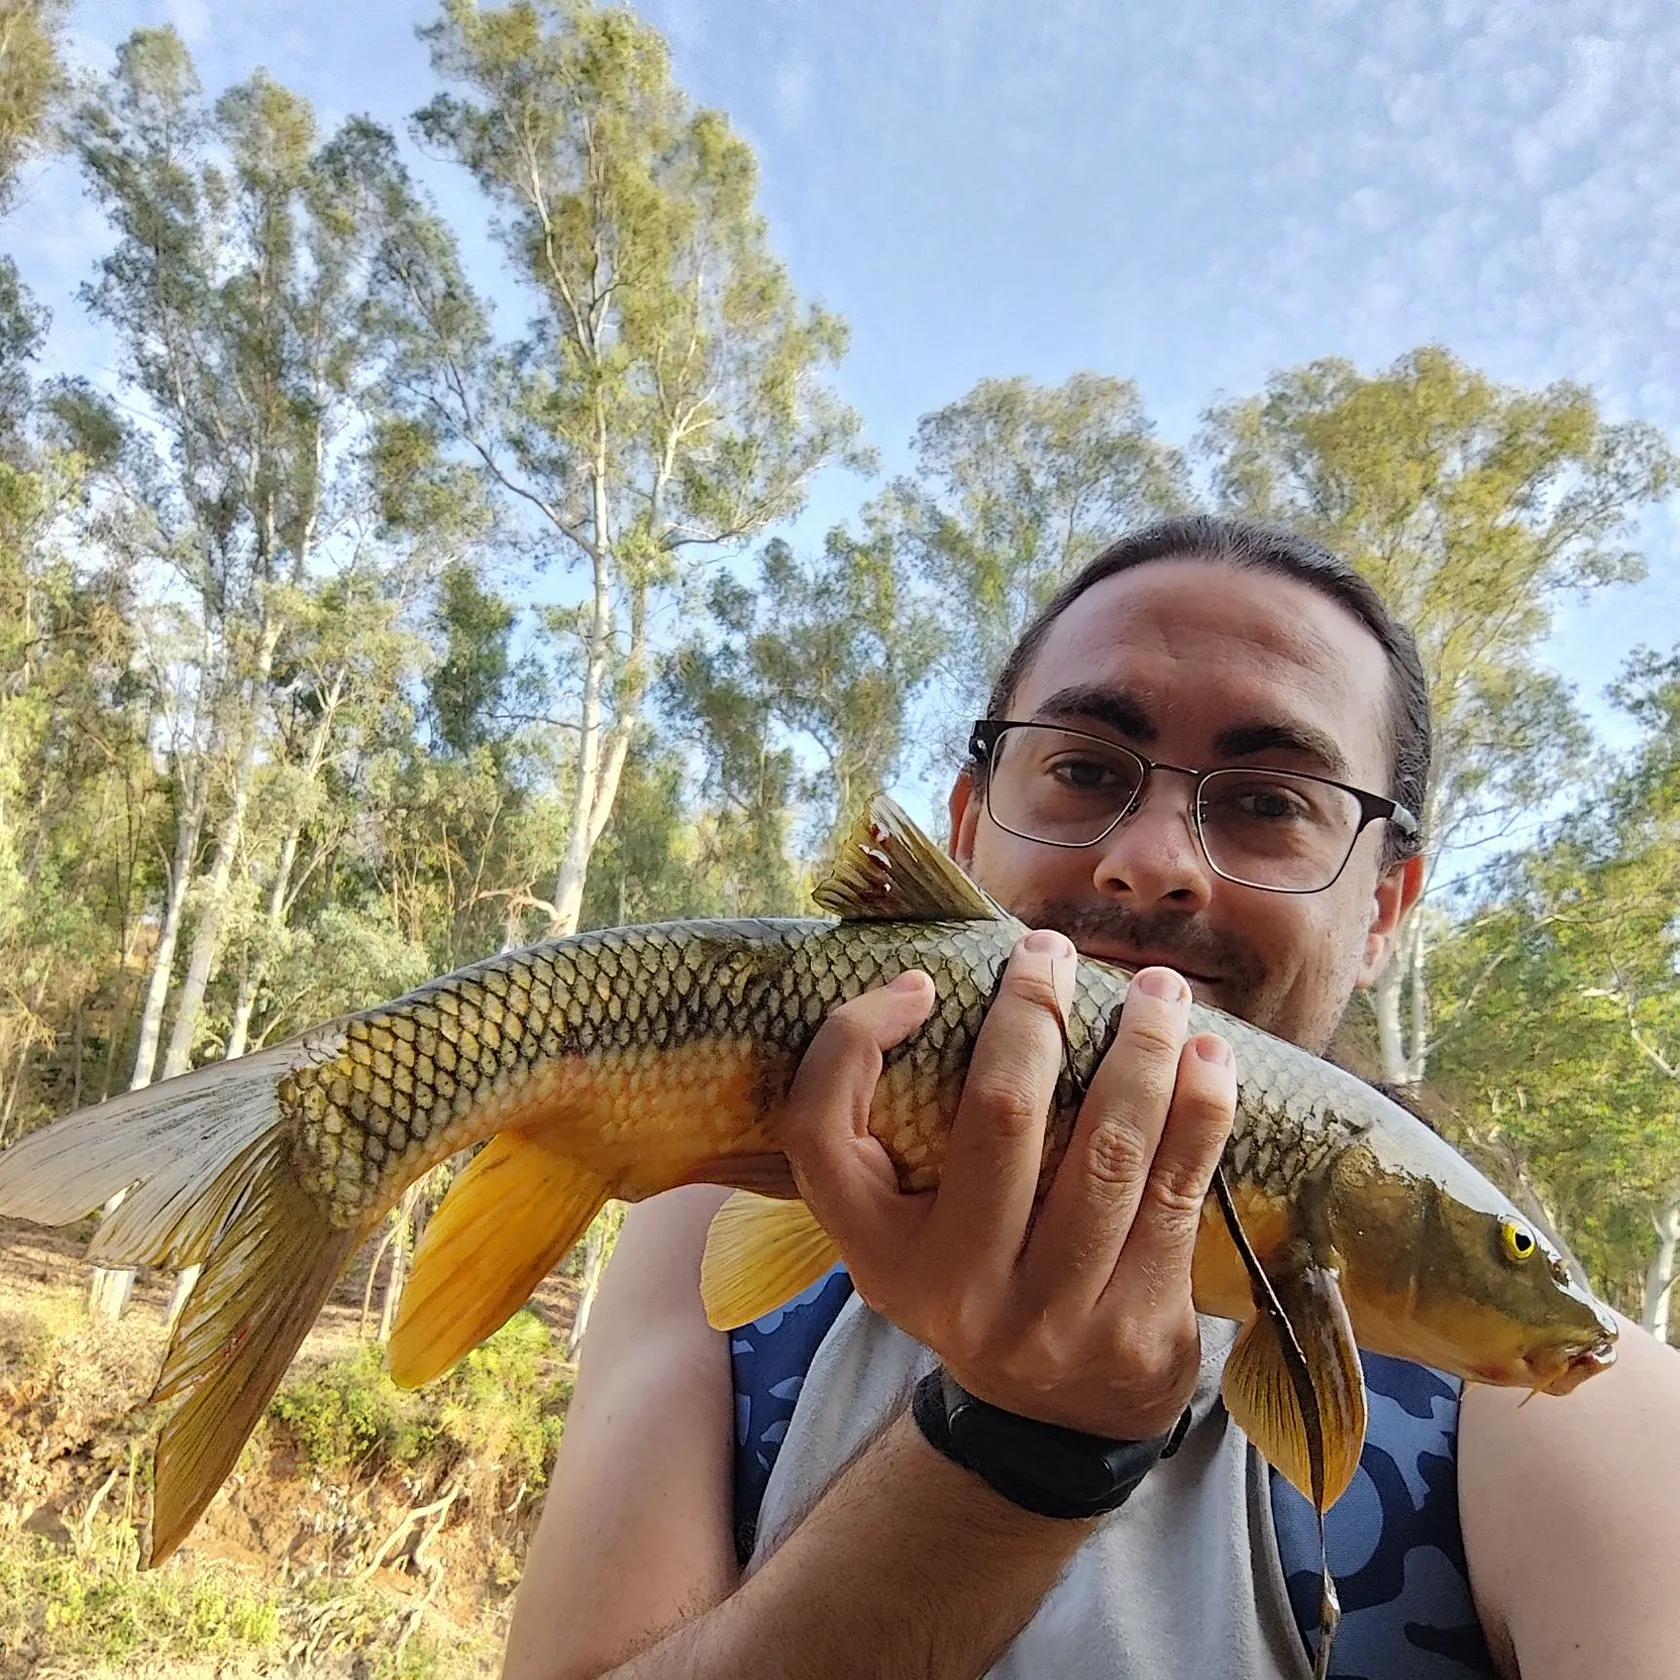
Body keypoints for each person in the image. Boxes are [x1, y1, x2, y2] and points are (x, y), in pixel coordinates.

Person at [503, 516, 1680, 1680]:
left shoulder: (1572, 1418)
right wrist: (1018, 1455)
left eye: (1270, 802)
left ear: (1382, 909)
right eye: (1082, 770)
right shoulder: (703, 1226)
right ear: (966, 827)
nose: (1153, 859)